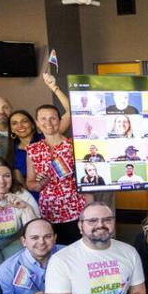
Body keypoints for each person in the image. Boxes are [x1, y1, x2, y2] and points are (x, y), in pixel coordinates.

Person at [27, 103, 88, 244]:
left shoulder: (74, 146)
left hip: (76, 210)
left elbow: (87, 182)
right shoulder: (33, 149)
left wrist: (88, 213)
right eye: (43, 119)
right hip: (49, 212)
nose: (48, 123)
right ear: (37, 123)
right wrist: (39, 184)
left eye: (52, 118)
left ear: (60, 120)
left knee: (77, 250)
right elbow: (30, 183)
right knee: (54, 252)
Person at [0, 217, 63, 294]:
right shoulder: (8, 269)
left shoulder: (67, 255)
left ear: (55, 238)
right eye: (34, 238)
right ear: (24, 241)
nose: (41, 242)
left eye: (47, 236)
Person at [6, 109, 42, 199]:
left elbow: (69, 114)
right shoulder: (12, 151)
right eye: (14, 123)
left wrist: (56, 93)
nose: (20, 126)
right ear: (12, 130)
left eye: (24, 121)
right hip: (29, 198)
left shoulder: (45, 139)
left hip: (54, 192)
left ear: (33, 125)